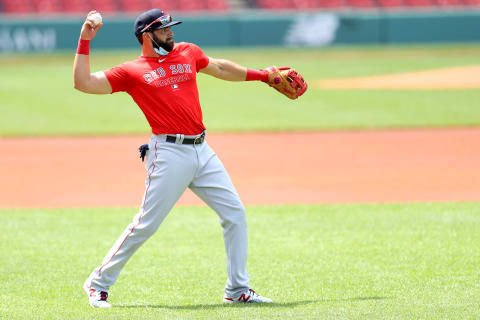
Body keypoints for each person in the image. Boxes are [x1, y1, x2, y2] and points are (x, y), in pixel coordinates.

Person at [74, 8, 284, 309]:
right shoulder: (132, 71)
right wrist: (85, 39)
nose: (171, 32)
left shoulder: (188, 52)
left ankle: (237, 288)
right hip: (169, 153)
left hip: (202, 149)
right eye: (164, 29)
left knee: (235, 213)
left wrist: (264, 76)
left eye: (171, 28)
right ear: (147, 35)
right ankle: (97, 283)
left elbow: (222, 68)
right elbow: (83, 83)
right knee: (146, 224)